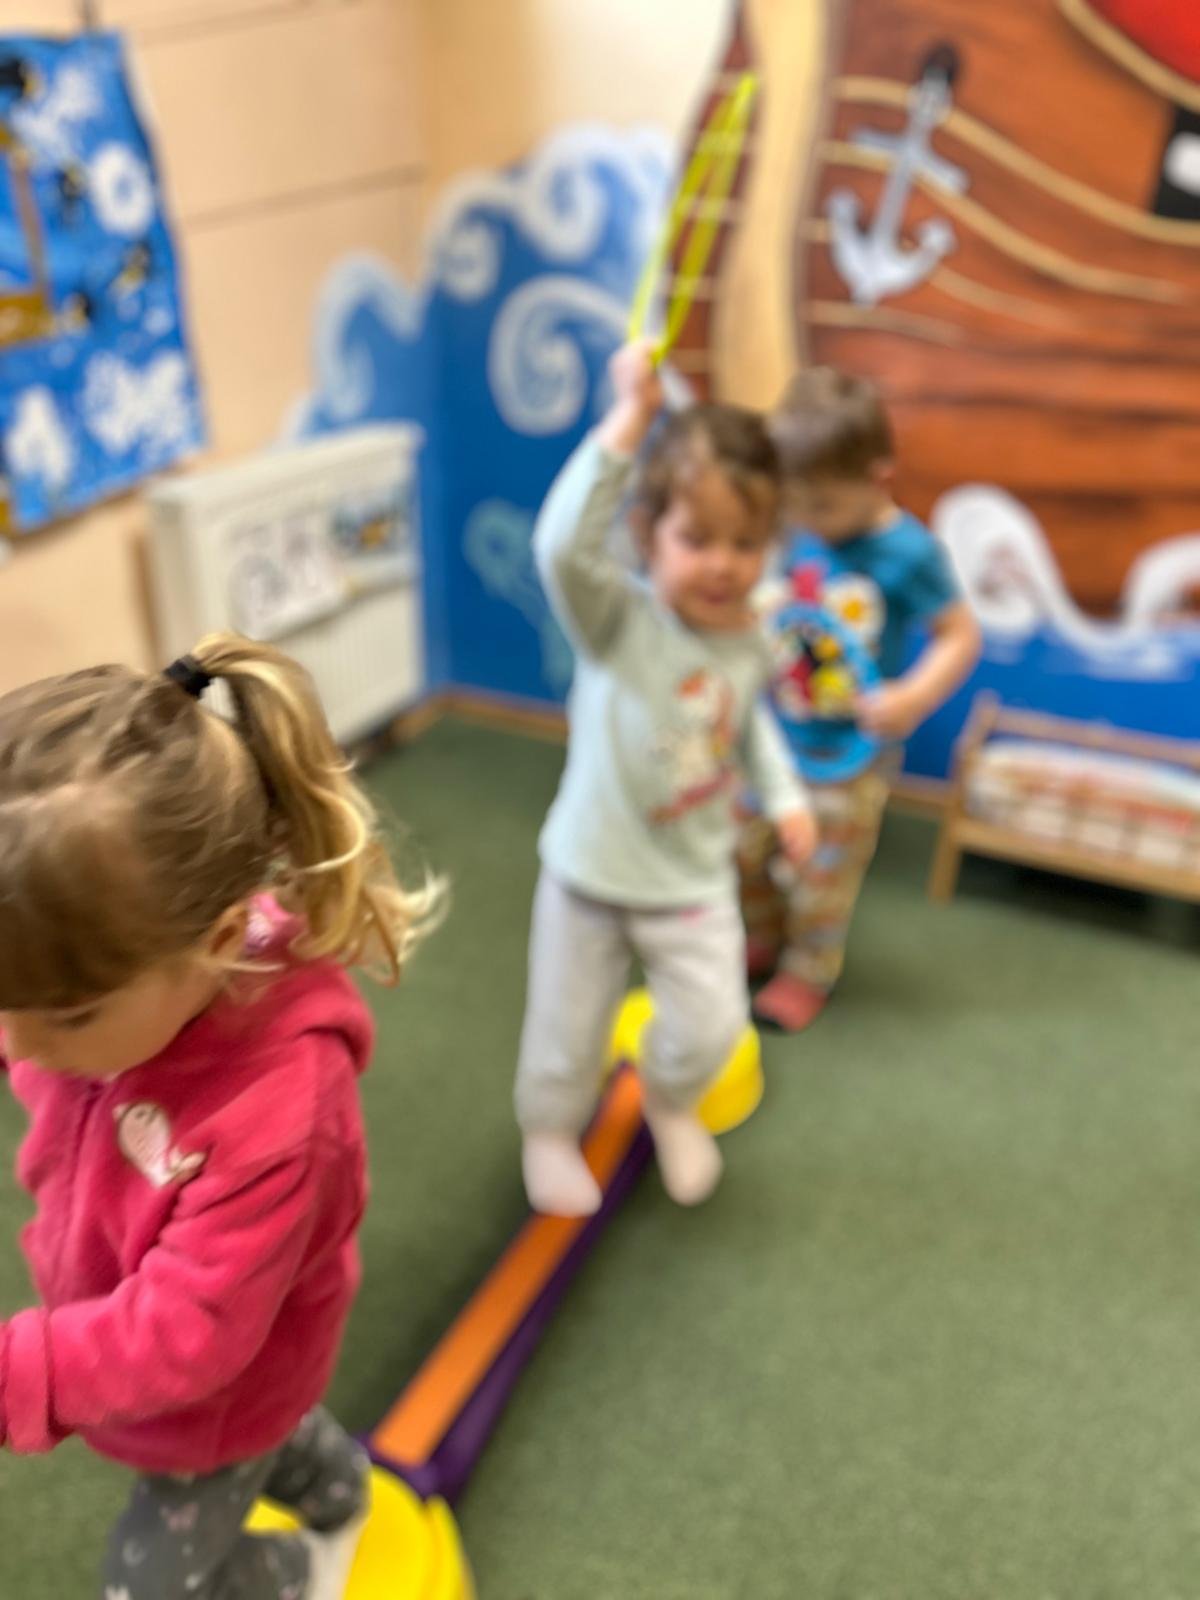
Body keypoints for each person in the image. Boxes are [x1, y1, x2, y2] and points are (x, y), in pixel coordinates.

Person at [0, 635, 444, 1600]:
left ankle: (301, 1571)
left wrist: (19, 1373)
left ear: (218, 939)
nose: (19, 1044)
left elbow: (187, 1333)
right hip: (192, 1349)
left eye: (65, 1015)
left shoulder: (279, 1107)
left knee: (151, 1585)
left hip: (214, 1388)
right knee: (284, 1436)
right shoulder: (113, 987)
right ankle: (341, 1490)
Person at [516, 342, 816, 1218]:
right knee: (567, 1032)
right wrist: (631, 418)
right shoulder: (618, 621)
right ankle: (548, 1132)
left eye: (745, 544)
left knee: (713, 1025)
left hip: (689, 882)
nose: (722, 564)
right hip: (588, 875)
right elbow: (560, 547)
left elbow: (746, 723)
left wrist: (786, 796)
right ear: (649, 536)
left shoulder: (748, 637)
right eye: (697, 539)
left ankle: (670, 1101)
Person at [741, 366, 981, 1032]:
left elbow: (961, 634)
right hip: (775, 735)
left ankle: (806, 969)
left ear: (878, 477)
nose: (804, 519)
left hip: (850, 757)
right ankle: (763, 935)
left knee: (822, 873)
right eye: (793, 502)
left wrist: (915, 695)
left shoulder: (909, 552)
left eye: (820, 505)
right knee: (742, 846)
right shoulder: (798, 526)